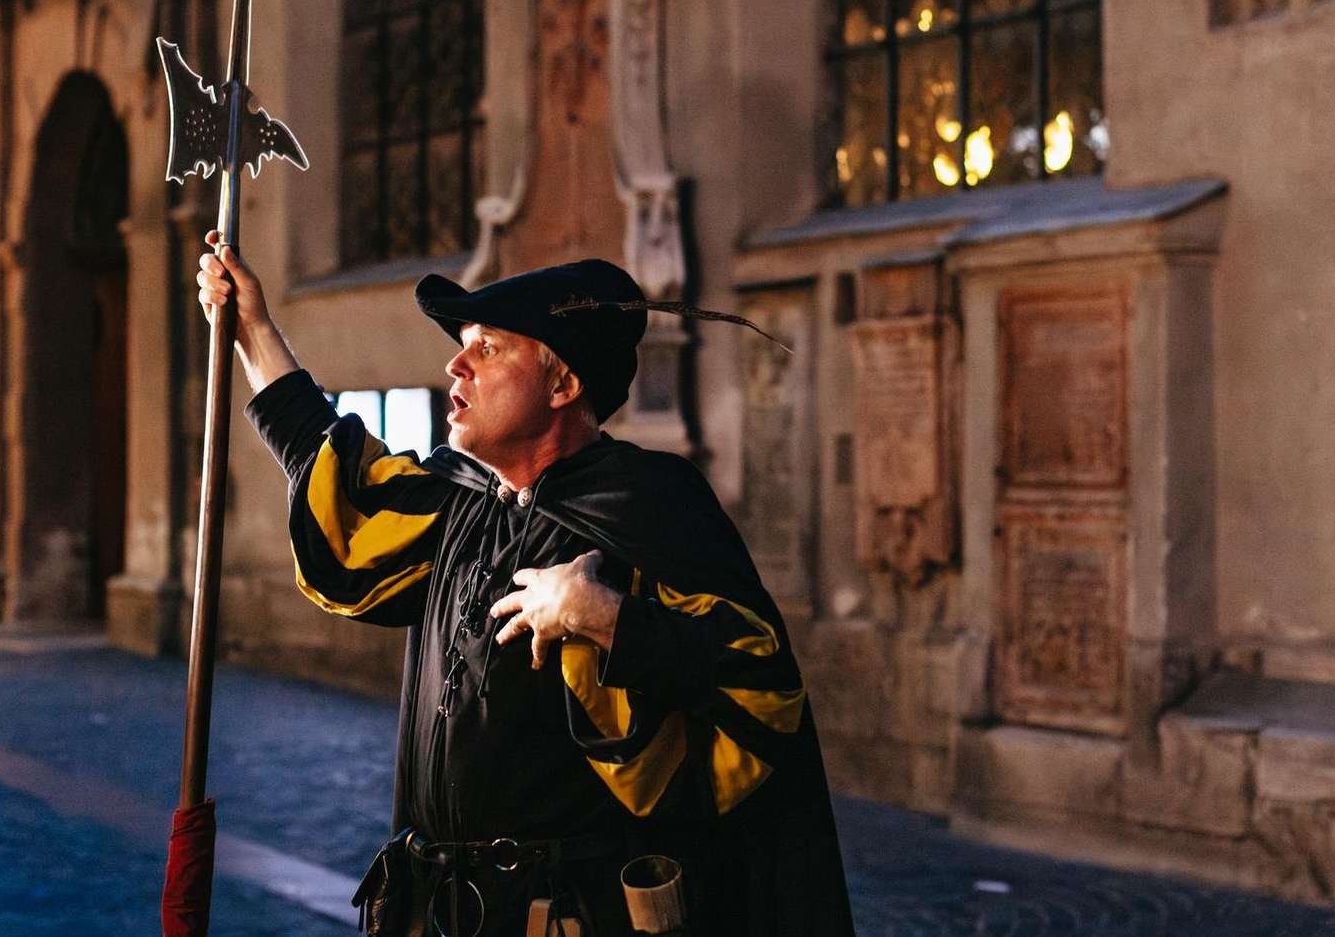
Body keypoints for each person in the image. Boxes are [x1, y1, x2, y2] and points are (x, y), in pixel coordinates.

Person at [198, 235, 855, 936]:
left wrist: (602, 616)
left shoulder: (648, 507)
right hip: (436, 912)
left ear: (562, 384)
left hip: (568, 915)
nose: (455, 365)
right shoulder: (461, 501)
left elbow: (759, 686)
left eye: (487, 349)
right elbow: (335, 472)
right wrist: (253, 331)